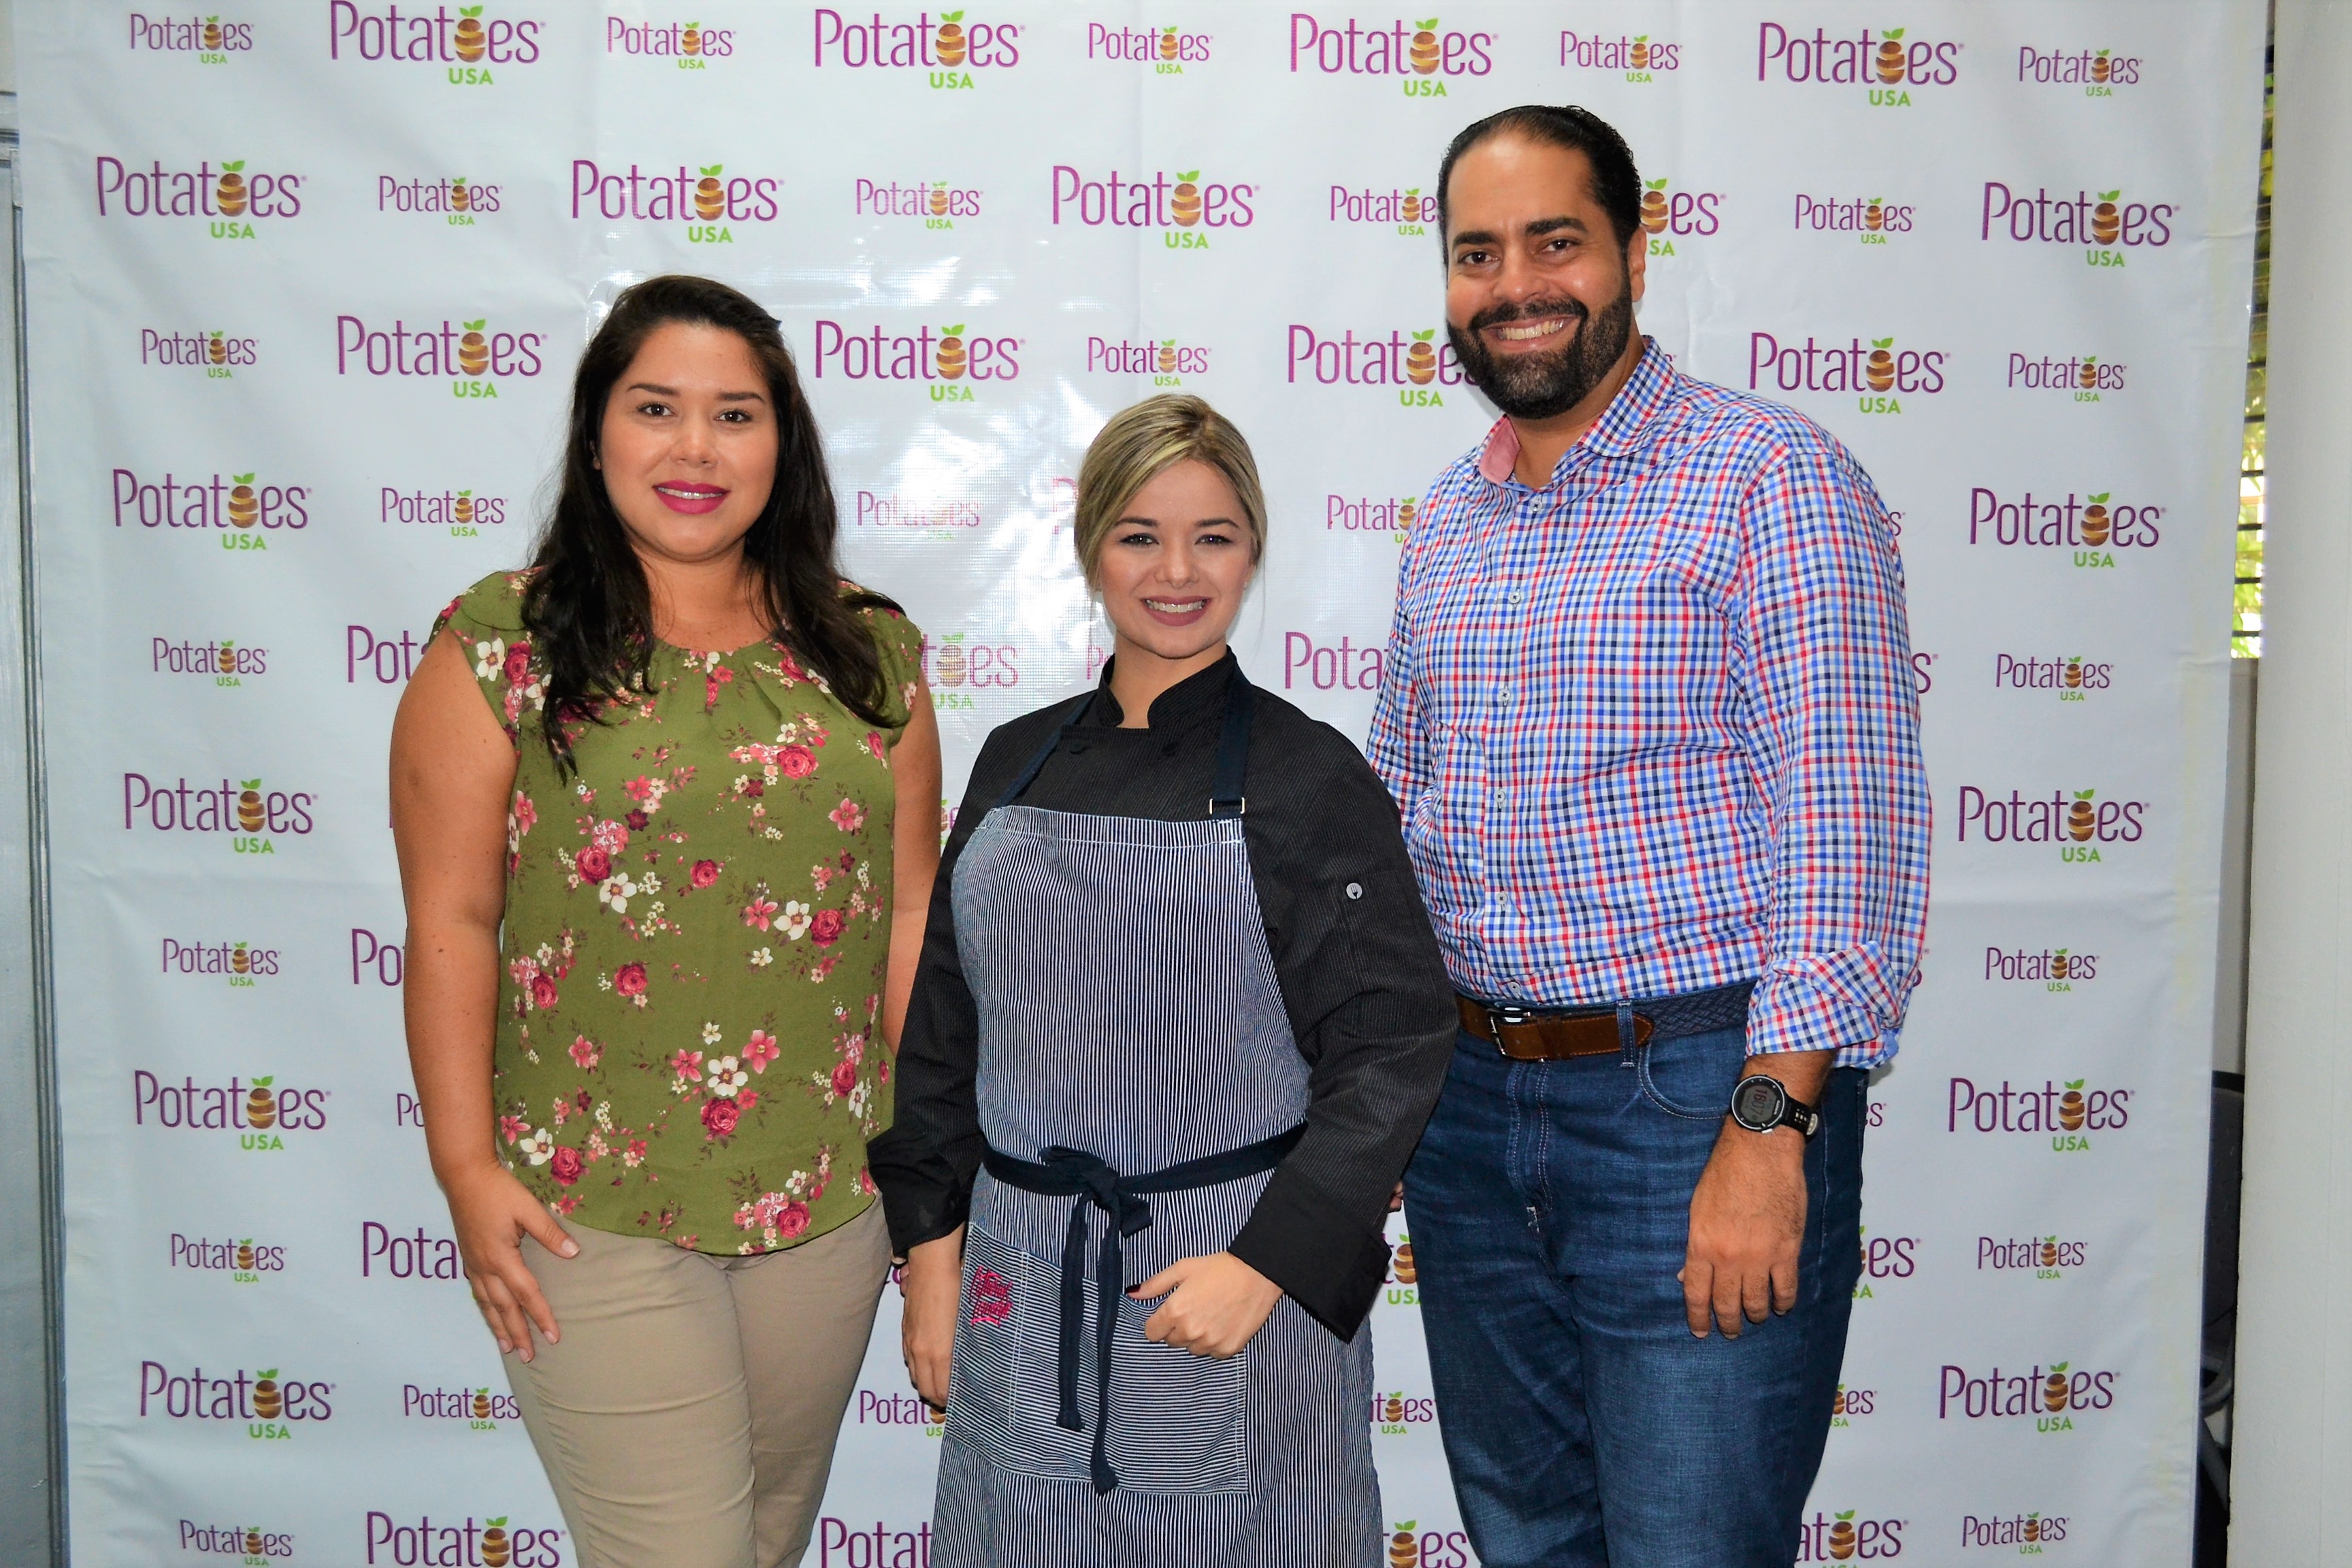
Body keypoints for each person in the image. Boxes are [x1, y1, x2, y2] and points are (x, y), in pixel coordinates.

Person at [1369, 107, 1931, 1567]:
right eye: (1476, 253)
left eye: (1555, 241)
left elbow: (1849, 838)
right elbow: (1402, 820)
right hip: (1473, 1122)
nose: (1516, 284)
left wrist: (1768, 1130)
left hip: (1694, 1103)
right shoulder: (1447, 524)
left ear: (1629, 248)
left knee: (1692, 1544)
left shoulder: (1772, 480)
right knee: (1531, 1541)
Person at [390, 274, 941, 1568]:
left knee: (755, 1544)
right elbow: (452, 918)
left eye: (735, 416)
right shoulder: (501, 647)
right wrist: (466, 1175)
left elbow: (911, 915)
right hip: (586, 1207)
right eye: (657, 409)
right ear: (597, 436)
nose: (695, 449)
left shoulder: (873, 660)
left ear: (782, 446)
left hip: (829, 1203)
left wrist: (924, 1189)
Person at [868, 394, 1457, 1567]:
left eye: (1215, 536)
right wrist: (932, 1256)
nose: (1177, 571)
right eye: (1140, 535)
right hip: (1024, 1277)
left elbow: (1394, 1048)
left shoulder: (1309, 779)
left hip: (1238, 1288)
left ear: (1255, 551)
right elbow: (943, 1030)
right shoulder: (1013, 758)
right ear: (1090, 547)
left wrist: (1268, 1265)